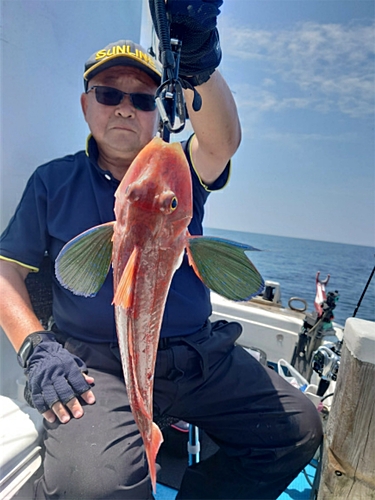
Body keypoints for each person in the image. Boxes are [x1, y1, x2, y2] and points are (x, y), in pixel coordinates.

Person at [0, 2, 322, 499]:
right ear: (86, 106)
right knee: (94, 487)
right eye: (108, 94)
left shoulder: (179, 168)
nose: (126, 107)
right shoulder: (53, 182)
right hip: (99, 365)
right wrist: (36, 347)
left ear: (159, 111)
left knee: (297, 428)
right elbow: (5, 274)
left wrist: (197, 59)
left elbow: (223, 140)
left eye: (142, 98)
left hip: (197, 356)